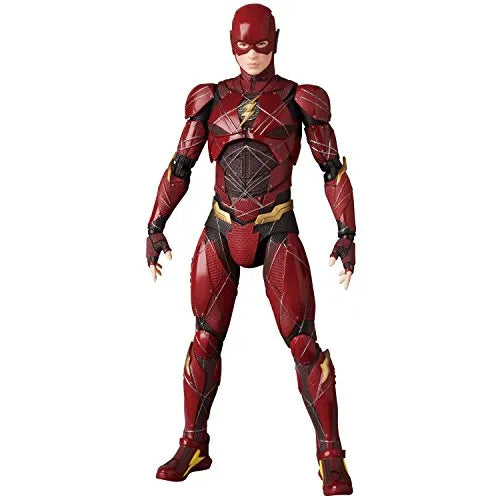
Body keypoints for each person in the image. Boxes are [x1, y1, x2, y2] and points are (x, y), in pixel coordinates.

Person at [146, 3, 356, 495]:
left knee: (303, 342)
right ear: (231, 43)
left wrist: (347, 233)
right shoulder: (210, 99)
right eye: (243, 44)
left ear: (276, 41)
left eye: (261, 44)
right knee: (204, 339)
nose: (253, 54)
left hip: (276, 226)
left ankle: (331, 455)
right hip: (220, 228)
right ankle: (193, 444)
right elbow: (180, 165)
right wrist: (155, 225)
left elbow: (332, 170)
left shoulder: (300, 99)